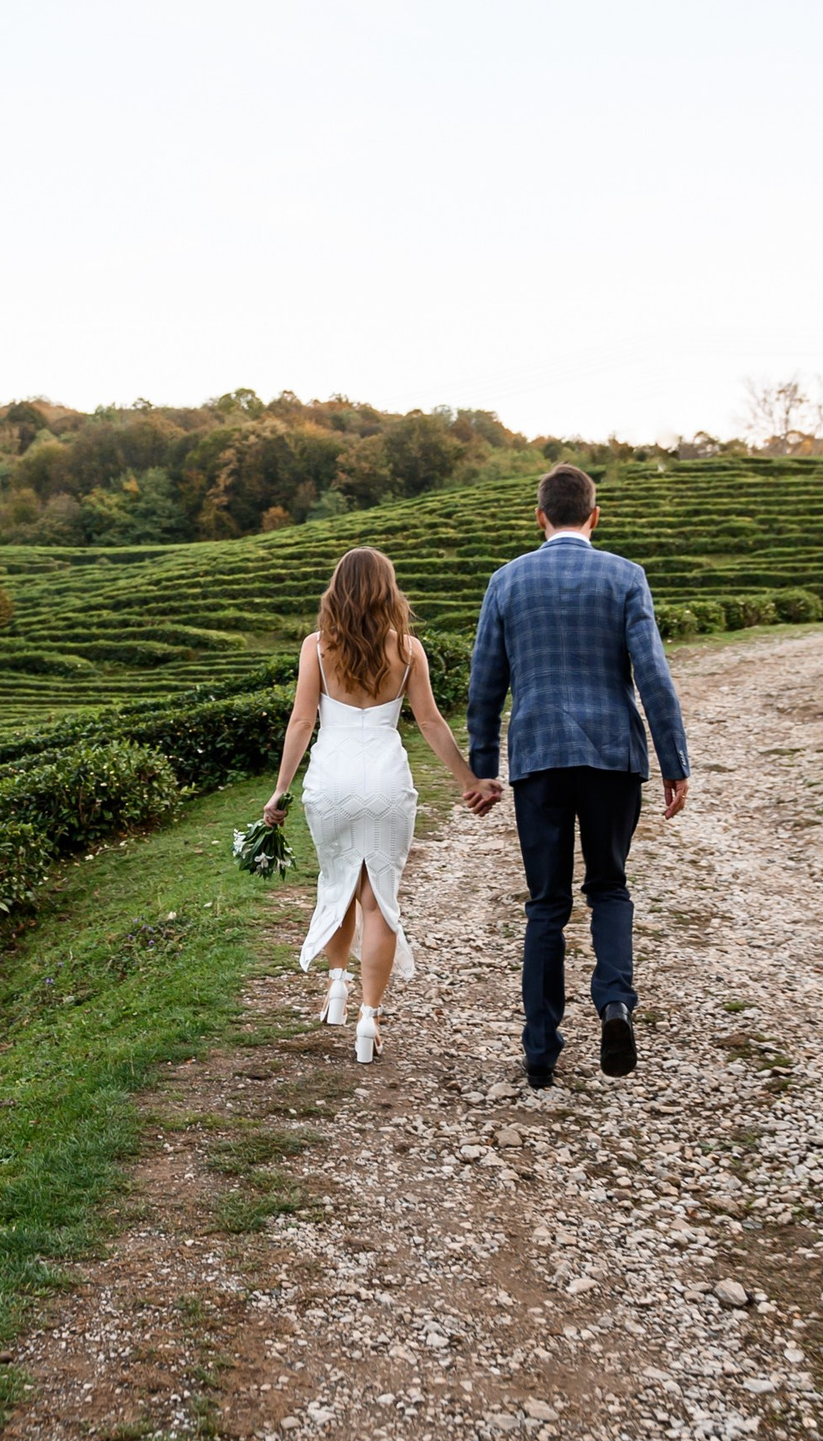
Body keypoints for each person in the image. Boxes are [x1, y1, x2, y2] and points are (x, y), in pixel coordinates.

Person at [465, 462, 690, 1088]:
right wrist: (674, 762)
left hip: (539, 756)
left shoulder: (507, 582)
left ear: (540, 516)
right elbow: (654, 678)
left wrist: (484, 769)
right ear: (594, 515)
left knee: (546, 904)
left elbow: (485, 685)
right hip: (613, 755)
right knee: (610, 887)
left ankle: (540, 1051)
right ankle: (615, 1004)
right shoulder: (625, 576)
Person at [263, 547, 499, 1062]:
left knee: (339, 884)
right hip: (387, 783)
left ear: (337, 591)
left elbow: (302, 722)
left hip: (333, 782)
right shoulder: (410, 651)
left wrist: (281, 789)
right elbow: (432, 722)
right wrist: (469, 780)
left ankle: (338, 984)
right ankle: (369, 1020)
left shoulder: (317, 648)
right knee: (378, 900)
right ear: (388, 591)